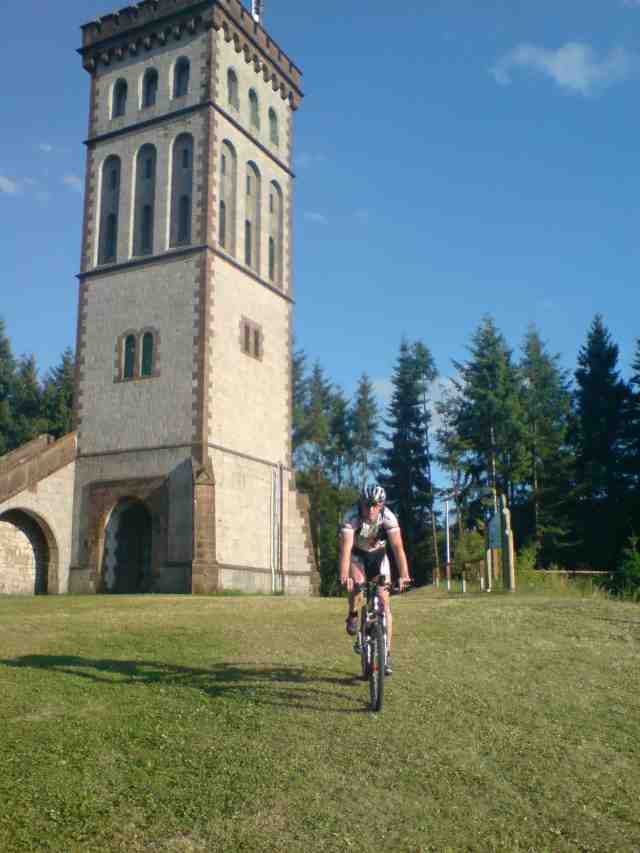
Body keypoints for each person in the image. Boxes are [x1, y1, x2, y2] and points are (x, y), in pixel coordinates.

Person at [339, 484, 411, 675]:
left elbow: (397, 548)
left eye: (375, 505)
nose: (370, 509)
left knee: (384, 601)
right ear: (360, 504)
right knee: (357, 586)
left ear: (381, 505)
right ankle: (353, 614)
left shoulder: (388, 517)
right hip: (357, 557)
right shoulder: (351, 517)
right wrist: (344, 574)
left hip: (379, 557)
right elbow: (345, 549)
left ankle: (386, 655)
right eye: (366, 505)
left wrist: (404, 574)